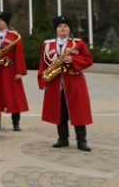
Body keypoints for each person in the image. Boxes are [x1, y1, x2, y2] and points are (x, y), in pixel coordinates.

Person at [38, 16, 93, 151]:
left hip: (74, 81)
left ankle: (82, 140)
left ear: (69, 29)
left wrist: (73, 60)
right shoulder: (47, 44)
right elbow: (43, 64)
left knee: (78, 110)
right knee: (59, 111)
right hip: (56, 83)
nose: (63, 28)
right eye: (60, 26)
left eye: (66, 26)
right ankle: (63, 139)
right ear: (55, 30)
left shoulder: (78, 43)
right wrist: (43, 80)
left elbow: (88, 60)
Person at [0, 11, 28, 131]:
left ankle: (15, 122)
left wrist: (19, 72)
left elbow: (19, 55)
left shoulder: (14, 36)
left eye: (0, 20)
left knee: (14, 96)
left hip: (10, 70)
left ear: (6, 23)